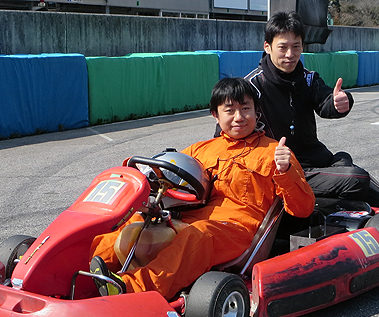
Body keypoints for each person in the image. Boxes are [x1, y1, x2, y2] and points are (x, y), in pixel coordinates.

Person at [89, 77, 315, 299]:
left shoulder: (274, 153)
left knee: (199, 236)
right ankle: (85, 274)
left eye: (246, 108)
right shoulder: (201, 150)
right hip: (189, 218)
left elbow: (303, 209)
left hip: (237, 230)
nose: (239, 117)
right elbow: (165, 173)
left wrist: (285, 171)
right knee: (136, 221)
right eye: (230, 110)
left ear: (257, 112)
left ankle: (129, 288)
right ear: (215, 115)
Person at [241, 10, 379, 211]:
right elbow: (227, 131)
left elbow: (326, 101)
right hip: (284, 169)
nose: (290, 54)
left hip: (315, 160)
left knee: (344, 162)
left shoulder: (308, 79)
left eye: (296, 46)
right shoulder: (251, 87)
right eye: (282, 47)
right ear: (267, 47)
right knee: (355, 177)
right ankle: (355, 211)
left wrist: (340, 102)